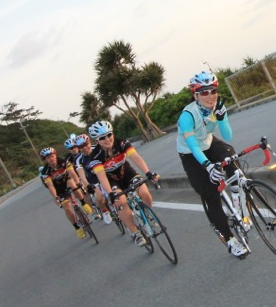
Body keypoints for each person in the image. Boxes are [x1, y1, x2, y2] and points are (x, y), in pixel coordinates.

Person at [176, 71, 248, 258]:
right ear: (196, 95)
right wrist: (208, 166)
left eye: (213, 91)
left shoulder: (218, 107)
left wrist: (223, 118)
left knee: (230, 155)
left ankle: (237, 201)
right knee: (212, 196)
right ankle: (230, 240)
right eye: (204, 92)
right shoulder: (187, 117)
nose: (210, 96)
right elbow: (192, 145)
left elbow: (228, 137)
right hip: (191, 154)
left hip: (209, 143)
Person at [87, 120, 159, 246]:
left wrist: (148, 173)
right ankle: (135, 232)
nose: (107, 139)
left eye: (109, 135)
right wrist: (110, 193)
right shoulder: (95, 156)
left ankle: (147, 215)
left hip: (126, 172)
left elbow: (135, 157)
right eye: (102, 137)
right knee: (121, 202)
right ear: (96, 140)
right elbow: (101, 176)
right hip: (111, 180)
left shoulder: (121, 142)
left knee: (144, 192)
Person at [39, 146, 89, 239]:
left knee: (73, 184)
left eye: (52, 156)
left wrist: (79, 183)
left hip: (66, 180)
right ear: (45, 160)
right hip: (57, 188)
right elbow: (51, 186)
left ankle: (83, 203)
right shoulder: (45, 172)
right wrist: (55, 197)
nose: (51, 159)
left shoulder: (63, 162)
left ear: (55, 155)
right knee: (67, 208)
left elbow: (72, 173)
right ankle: (77, 228)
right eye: (48, 157)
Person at [72, 134, 112, 225]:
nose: (85, 148)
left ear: (90, 142)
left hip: (106, 175)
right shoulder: (78, 159)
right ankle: (105, 211)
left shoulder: (99, 149)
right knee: (100, 197)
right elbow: (82, 176)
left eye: (86, 144)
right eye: (81, 147)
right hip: (93, 181)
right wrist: (88, 185)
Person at [63, 134, 96, 218]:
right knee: (84, 191)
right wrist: (77, 181)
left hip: (88, 171)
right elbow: (70, 172)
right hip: (78, 175)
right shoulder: (68, 159)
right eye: (71, 148)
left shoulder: (84, 152)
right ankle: (93, 211)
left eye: (74, 147)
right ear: (68, 150)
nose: (74, 149)